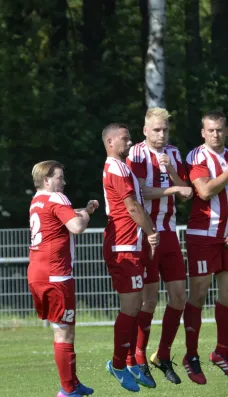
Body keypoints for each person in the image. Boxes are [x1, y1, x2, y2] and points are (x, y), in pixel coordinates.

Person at [125, 108, 195, 386]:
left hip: (169, 234)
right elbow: (141, 191)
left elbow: (187, 190)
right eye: (156, 129)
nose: (161, 134)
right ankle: (139, 355)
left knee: (179, 297)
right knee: (149, 300)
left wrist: (172, 173)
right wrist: (174, 190)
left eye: (165, 129)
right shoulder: (137, 154)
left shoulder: (174, 154)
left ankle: (162, 354)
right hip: (147, 234)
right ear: (145, 130)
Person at [27, 160, 100, 397]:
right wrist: (86, 215)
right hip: (56, 275)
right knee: (64, 333)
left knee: (64, 329)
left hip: (38, 273)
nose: (64, 182)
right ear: (47, 180)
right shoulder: (58, 198)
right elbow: (76, 227)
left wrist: (84, 211)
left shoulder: (37, 200)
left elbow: (61, 219)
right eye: (59, 177)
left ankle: (73, 382)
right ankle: (67, 390)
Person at [183, 111, 228, 383]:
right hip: (203, 235)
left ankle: (222, 352)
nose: (215, 135)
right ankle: (191, 355)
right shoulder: (196, 157)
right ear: (202, 133)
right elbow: (205, 191)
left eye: (220, 130)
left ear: (227, 131)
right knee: (198, 293)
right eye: (210, 130)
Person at [101, 123, 160, 392]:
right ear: (110, 142)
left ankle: (129, 361)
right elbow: (132, 206)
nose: (130, 141)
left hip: (132, 244)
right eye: (125, 138)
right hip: (122, 246)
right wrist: (151, 231)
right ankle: (118, 363)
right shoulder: (115, 168)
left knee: (140, 304)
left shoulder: (124, 168)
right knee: (130, 308)